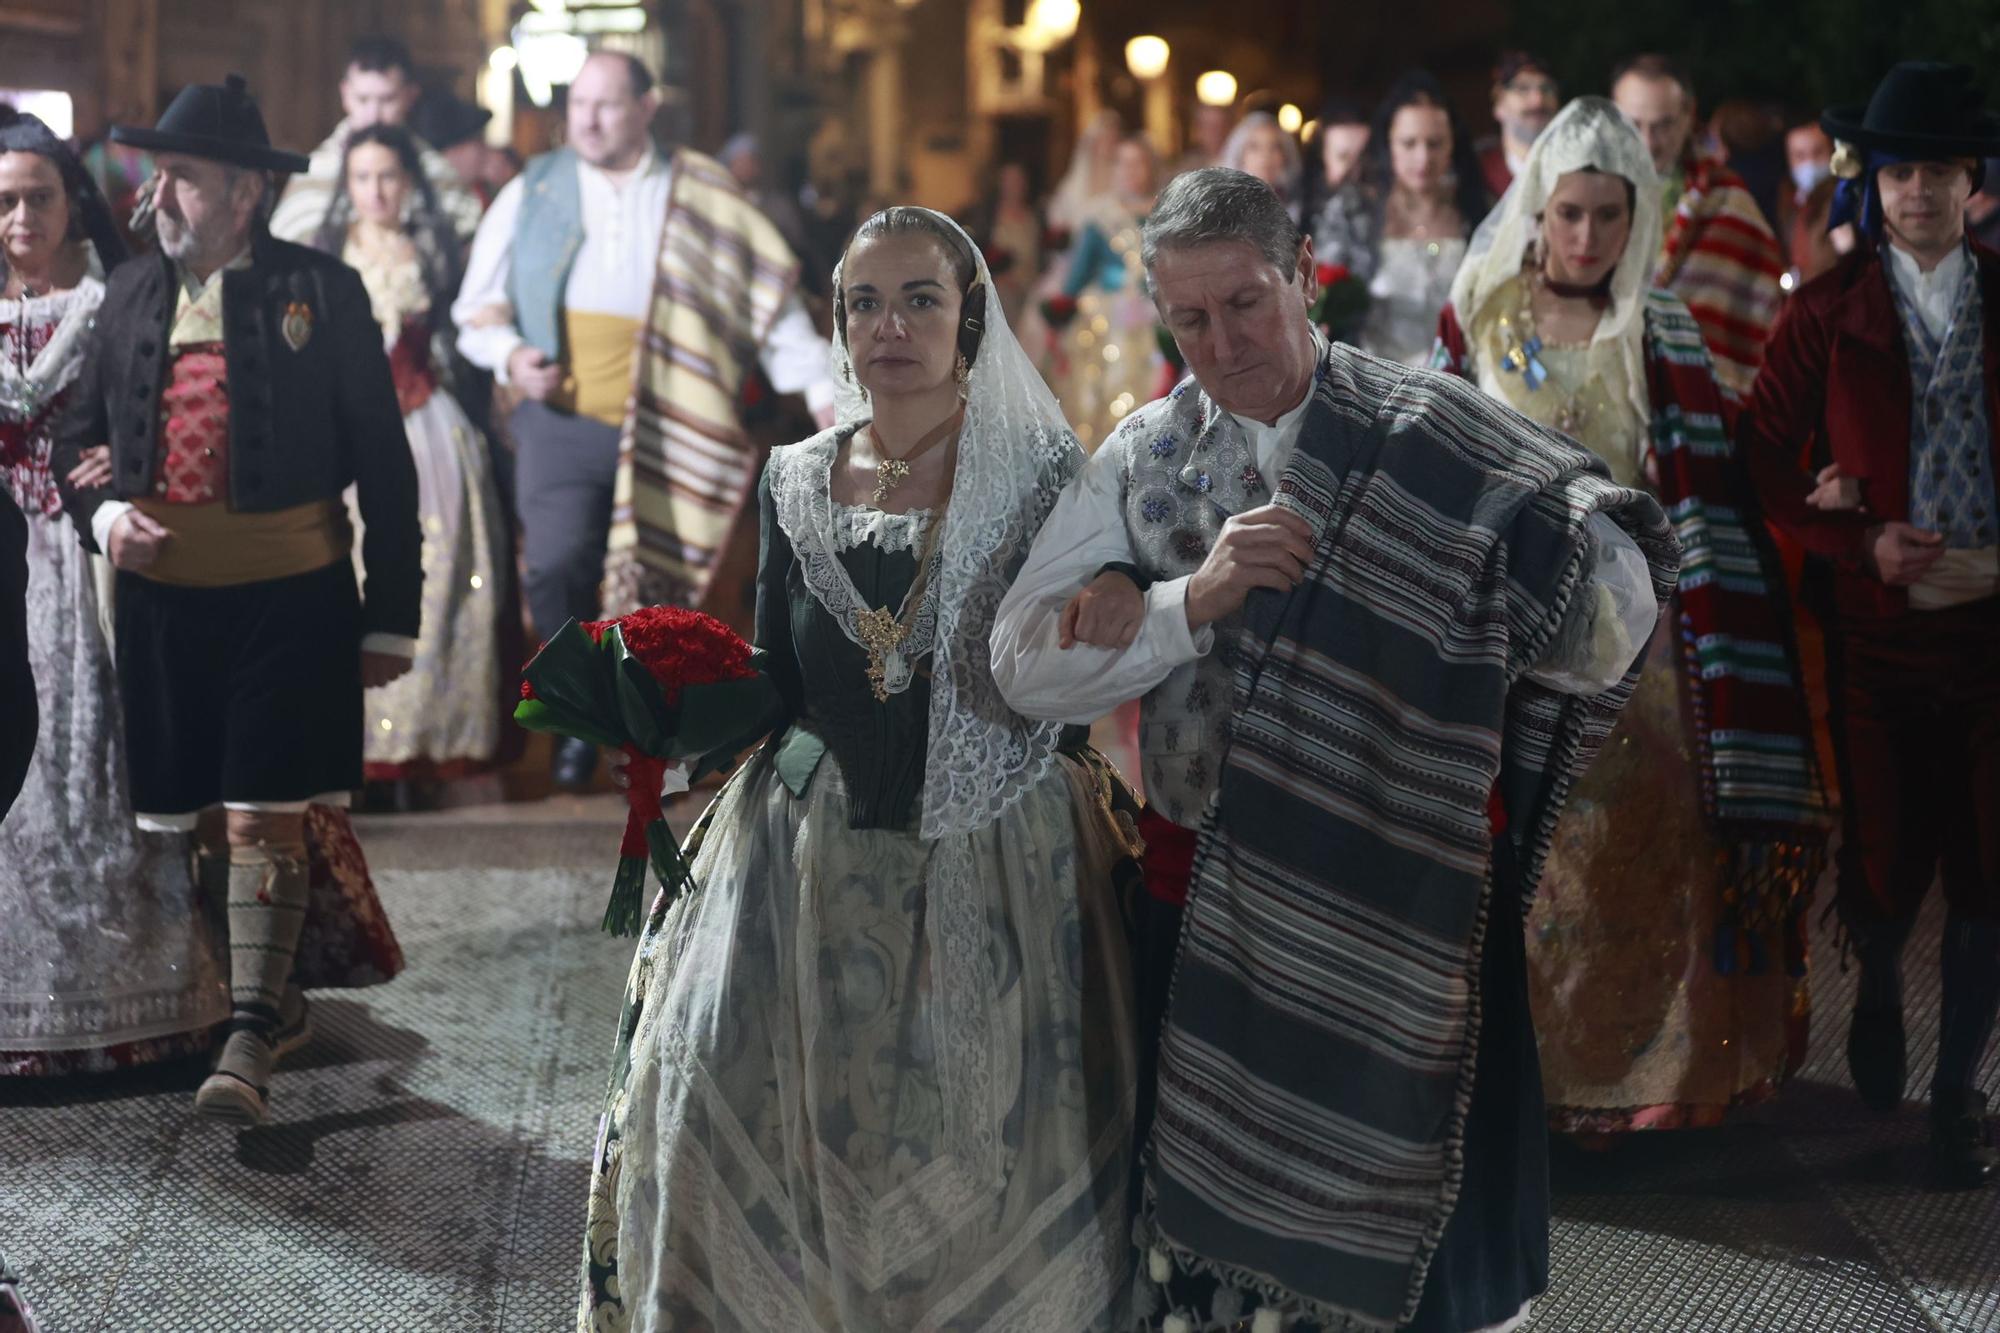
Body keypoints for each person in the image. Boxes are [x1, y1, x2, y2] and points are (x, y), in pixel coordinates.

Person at [990, 166, 1675, 1333]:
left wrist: (1444, 615)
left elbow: (1615, 610)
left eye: (1246, 302)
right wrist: (1181, 603)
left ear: (1303, 271)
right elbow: (1017, 661)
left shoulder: (1437, 428)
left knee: (1441, 1266)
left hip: (1409, 884)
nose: (1222, 341)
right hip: (1214, 893)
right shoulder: (1137, 457)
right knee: (1220, 1253)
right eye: (1190, 317)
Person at [575, 207, 1141, 1331]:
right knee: (744, 1105)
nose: (892, 325)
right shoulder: (793, 478)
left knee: (994, 1129)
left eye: (920, 298)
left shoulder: (1039, 474)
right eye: (866, 302)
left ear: (967, 317)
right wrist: (662, 714)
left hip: (998, 840)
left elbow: (1074, 655)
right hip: (800, 849)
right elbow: (776, 676)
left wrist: (1121, 583)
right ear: (838, 323)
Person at [1433, 97, 1830, 1137]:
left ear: (1632, 218)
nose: (1583, 237)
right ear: (1536, 208)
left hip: (1639, 637)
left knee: (1638, 848)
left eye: (1607, 216)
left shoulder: (1658, 331)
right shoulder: (1478, 314)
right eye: (1567, 213)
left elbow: (1704, 479)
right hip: (1515, 631)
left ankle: (1639, 1081)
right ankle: (1521, 1079)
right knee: (1521, 858)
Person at [50, 75, 421, 1123]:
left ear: (248, 192)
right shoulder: (125, 295)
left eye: (184, 180)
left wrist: (391, 611)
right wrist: (109, 520)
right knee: (200, 817)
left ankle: (249, 1033)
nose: (157, 197)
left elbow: (386, 469)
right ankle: (263, 996)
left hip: (292, 597)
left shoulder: (323, 290)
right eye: (157, 176)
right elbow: (78, 441)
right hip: (164, 604)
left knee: (269, 807)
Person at [1738, 61, 2000, 1189]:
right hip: (1877, 636)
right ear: (1876, 182)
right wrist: (1853, 540)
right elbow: (1755, 457)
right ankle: (1881, 979)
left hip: (1993, 631)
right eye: (1900, 173)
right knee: (1886, 860)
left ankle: (1957, 1097)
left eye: (1938, 172)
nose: (1919, 193)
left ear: (1970, 184)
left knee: (1990, 870)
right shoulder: (1822, 310)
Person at [453, 51, 835, 791]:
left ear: (648, 106)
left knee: (655, 591)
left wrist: (821, 392)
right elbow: (475, 307)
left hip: (669, 420)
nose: (586, 119)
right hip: (562, 419)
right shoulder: (533, 189)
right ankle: (578, 710)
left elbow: (768, 305)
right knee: (556, 565)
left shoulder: (703, 194)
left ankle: (643, 729)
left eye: (606, 103)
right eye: (579, 103)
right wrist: (510, 355)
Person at [0, 112, 235, 1076]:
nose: (21, 217)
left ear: (71, 201)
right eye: (5, 201)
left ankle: (136, 999)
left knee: (99, 759)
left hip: (87, 553)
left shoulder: (113, 301)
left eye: (39, 197)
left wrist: (121, 457)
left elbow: (160, 411)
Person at [309, 125, 506, 798]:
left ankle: (427, 741)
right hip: (354, 430)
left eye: (387, 176)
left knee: (445, 570)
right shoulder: (324, 254)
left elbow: (460, 329)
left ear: (408, 181)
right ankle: (357, 747)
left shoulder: (436, 250)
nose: (376, 191)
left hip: (430, 422)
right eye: (362, 178)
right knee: (354, 566)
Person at [1611, 53, 1784, 398]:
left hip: (1702, 399)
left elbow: (1761, 320)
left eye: (1663, 125)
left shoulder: (1729, 203)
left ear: (1689, 115)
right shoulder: (1583, 198)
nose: (1648, 142)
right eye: (1634, 125)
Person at [268, 35, 483, 247]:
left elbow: (466, 246)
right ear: (345, 94)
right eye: (363, 99)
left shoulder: (435, 170)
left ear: (410, 96)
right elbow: (290, 246)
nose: (373, 115)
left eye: (387, 100)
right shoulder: (317, 169)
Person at [1338, 70, 1489, 364]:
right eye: (1409, 143)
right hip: (1372, 382)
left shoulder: (1476, 211)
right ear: (1389, 144)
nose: (1423, 158)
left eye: (1435, 144)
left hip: (1459, 384)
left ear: (1451, 146)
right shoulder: (1355, 215)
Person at [1051, 133, 1161, 449]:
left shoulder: (1163, 212)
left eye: (1137, 163)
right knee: (1109, 399)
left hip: (1155, 318)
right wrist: (1061, 310)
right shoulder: (1101, 216)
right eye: (1121, 163)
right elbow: (1078, 273)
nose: (1129, 171)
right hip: (1108, 322)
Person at [1480, 50, 1561, 197]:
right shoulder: (1477, 176)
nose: (1538, 100)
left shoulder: (1576, 170)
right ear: (1499, 104)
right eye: (1523, 88)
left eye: (1546, 88)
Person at [1780, 121, 1845, 284]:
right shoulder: (1789, 200)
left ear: (1832, 152)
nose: (1809, 163)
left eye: (1818, 153)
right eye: (1800, 156)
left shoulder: (1843, 200)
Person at [408, 89, 496, 210]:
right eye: (475, 139)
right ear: (452, 151)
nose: (482, 147)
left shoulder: (476, 192)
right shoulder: (445, 208)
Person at [1219, 110, 1303, 226]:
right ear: (1240, 155)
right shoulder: (1224, 207)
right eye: (1254, 147)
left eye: (1274, 147)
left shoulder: (1301, 207)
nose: (1266, 156)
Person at [1175, 102, 1236, 177]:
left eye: (1219, 125)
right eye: (1208, 126)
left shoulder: (1239, 159)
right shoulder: (1187, 166)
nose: (1214, 132)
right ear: (1198, 130)